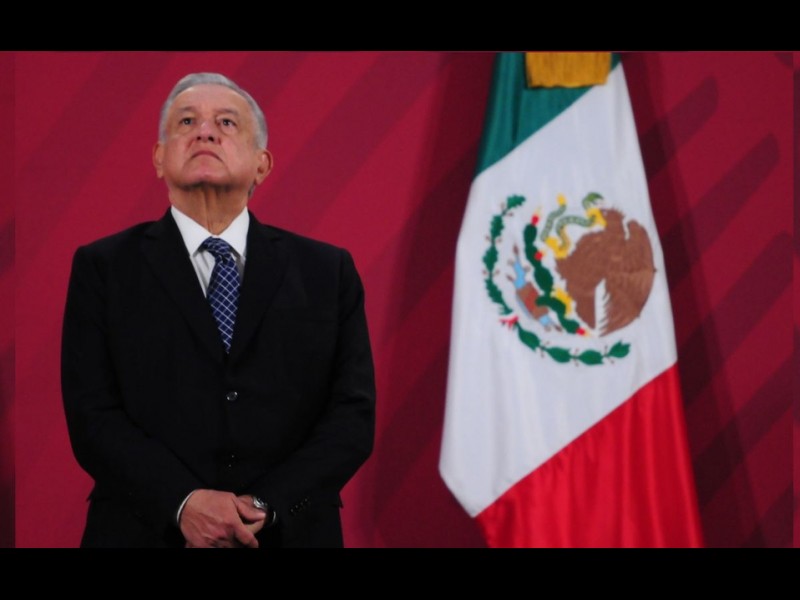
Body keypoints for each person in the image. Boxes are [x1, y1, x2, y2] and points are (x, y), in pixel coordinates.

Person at [61, 72, 376, 548]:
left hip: (290, 534)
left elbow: (351, 418)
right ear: (159, 158)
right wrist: (183, 502)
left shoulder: (326, 271)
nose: (204, 132)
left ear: (262, 164)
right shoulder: (103, 268)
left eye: (226, 123)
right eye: (186, 122)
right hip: (143, 532)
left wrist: (266, 506)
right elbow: (93, 414)